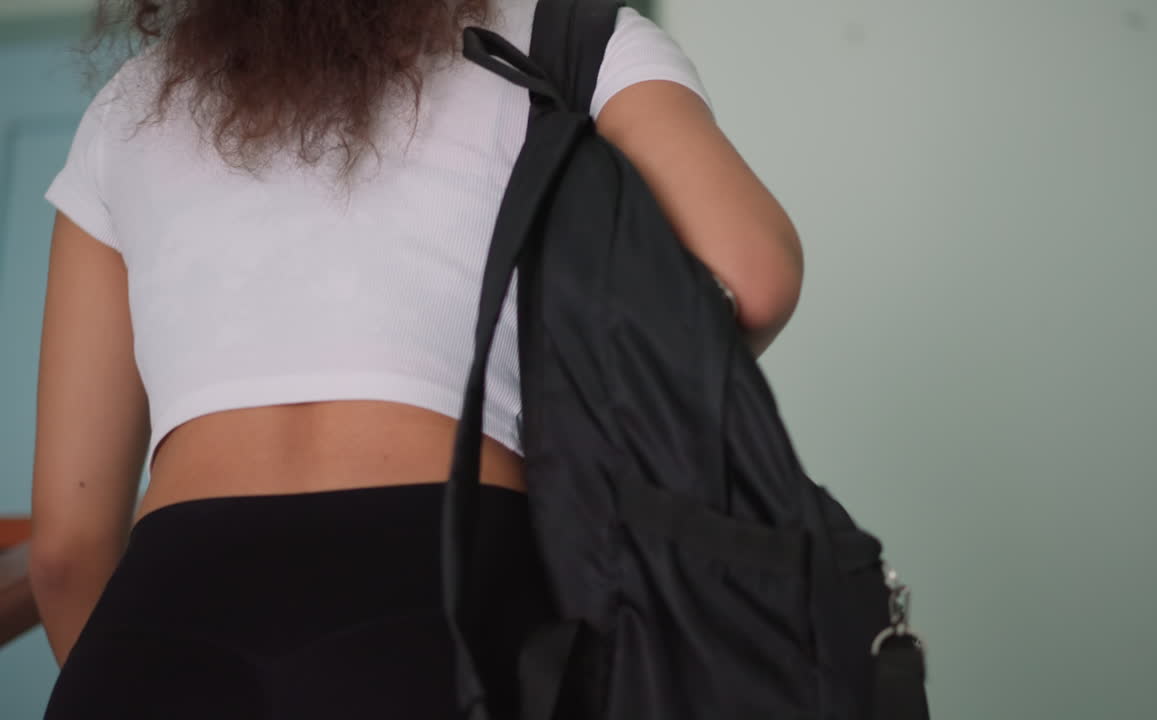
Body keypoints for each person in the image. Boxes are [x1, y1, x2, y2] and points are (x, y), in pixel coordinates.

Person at [29, 0, 803, 716]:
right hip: (446, 583)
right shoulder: (571, 40)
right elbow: (753, 278)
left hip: (163, 613)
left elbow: (68, 550)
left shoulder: (132, 104)